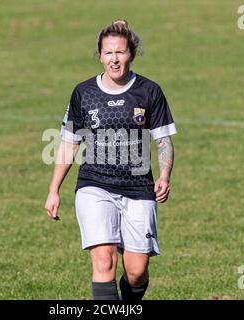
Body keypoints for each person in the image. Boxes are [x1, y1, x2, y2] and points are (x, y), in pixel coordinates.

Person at [44, 20, 176, 300]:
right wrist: (54, 189)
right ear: (100, 55)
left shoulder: (149, 91)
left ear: (131, 54)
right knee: (104, 262)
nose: (114, 59)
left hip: (139, 187)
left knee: (137, 270)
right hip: (95, 185)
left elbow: (163, 140)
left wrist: (164, 175)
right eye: (108, 53)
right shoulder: (84, 93)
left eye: (120, 52)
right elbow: (69, 142)